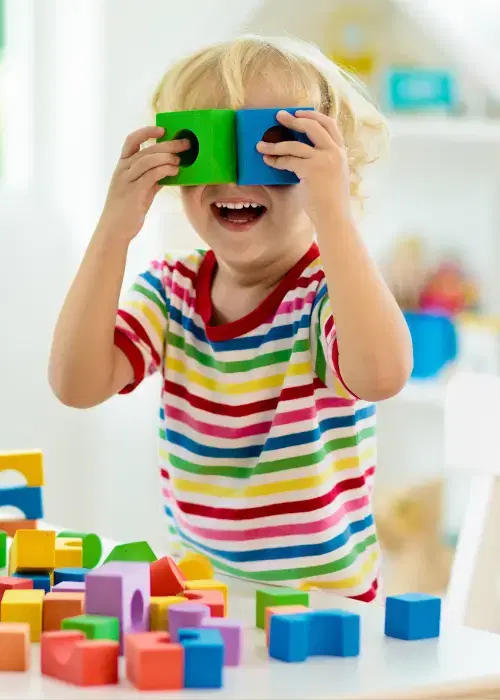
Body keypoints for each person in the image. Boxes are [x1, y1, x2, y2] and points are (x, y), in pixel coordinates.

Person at [49, 35, 412, 600]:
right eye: (205, 147)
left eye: (276, 148)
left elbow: (382, 374)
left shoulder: (325, 297)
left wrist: (333, 215)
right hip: (207, 604)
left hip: (326, 611)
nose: (238, 179)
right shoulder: (171, 294)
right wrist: (112, 231)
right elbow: (76, 384)